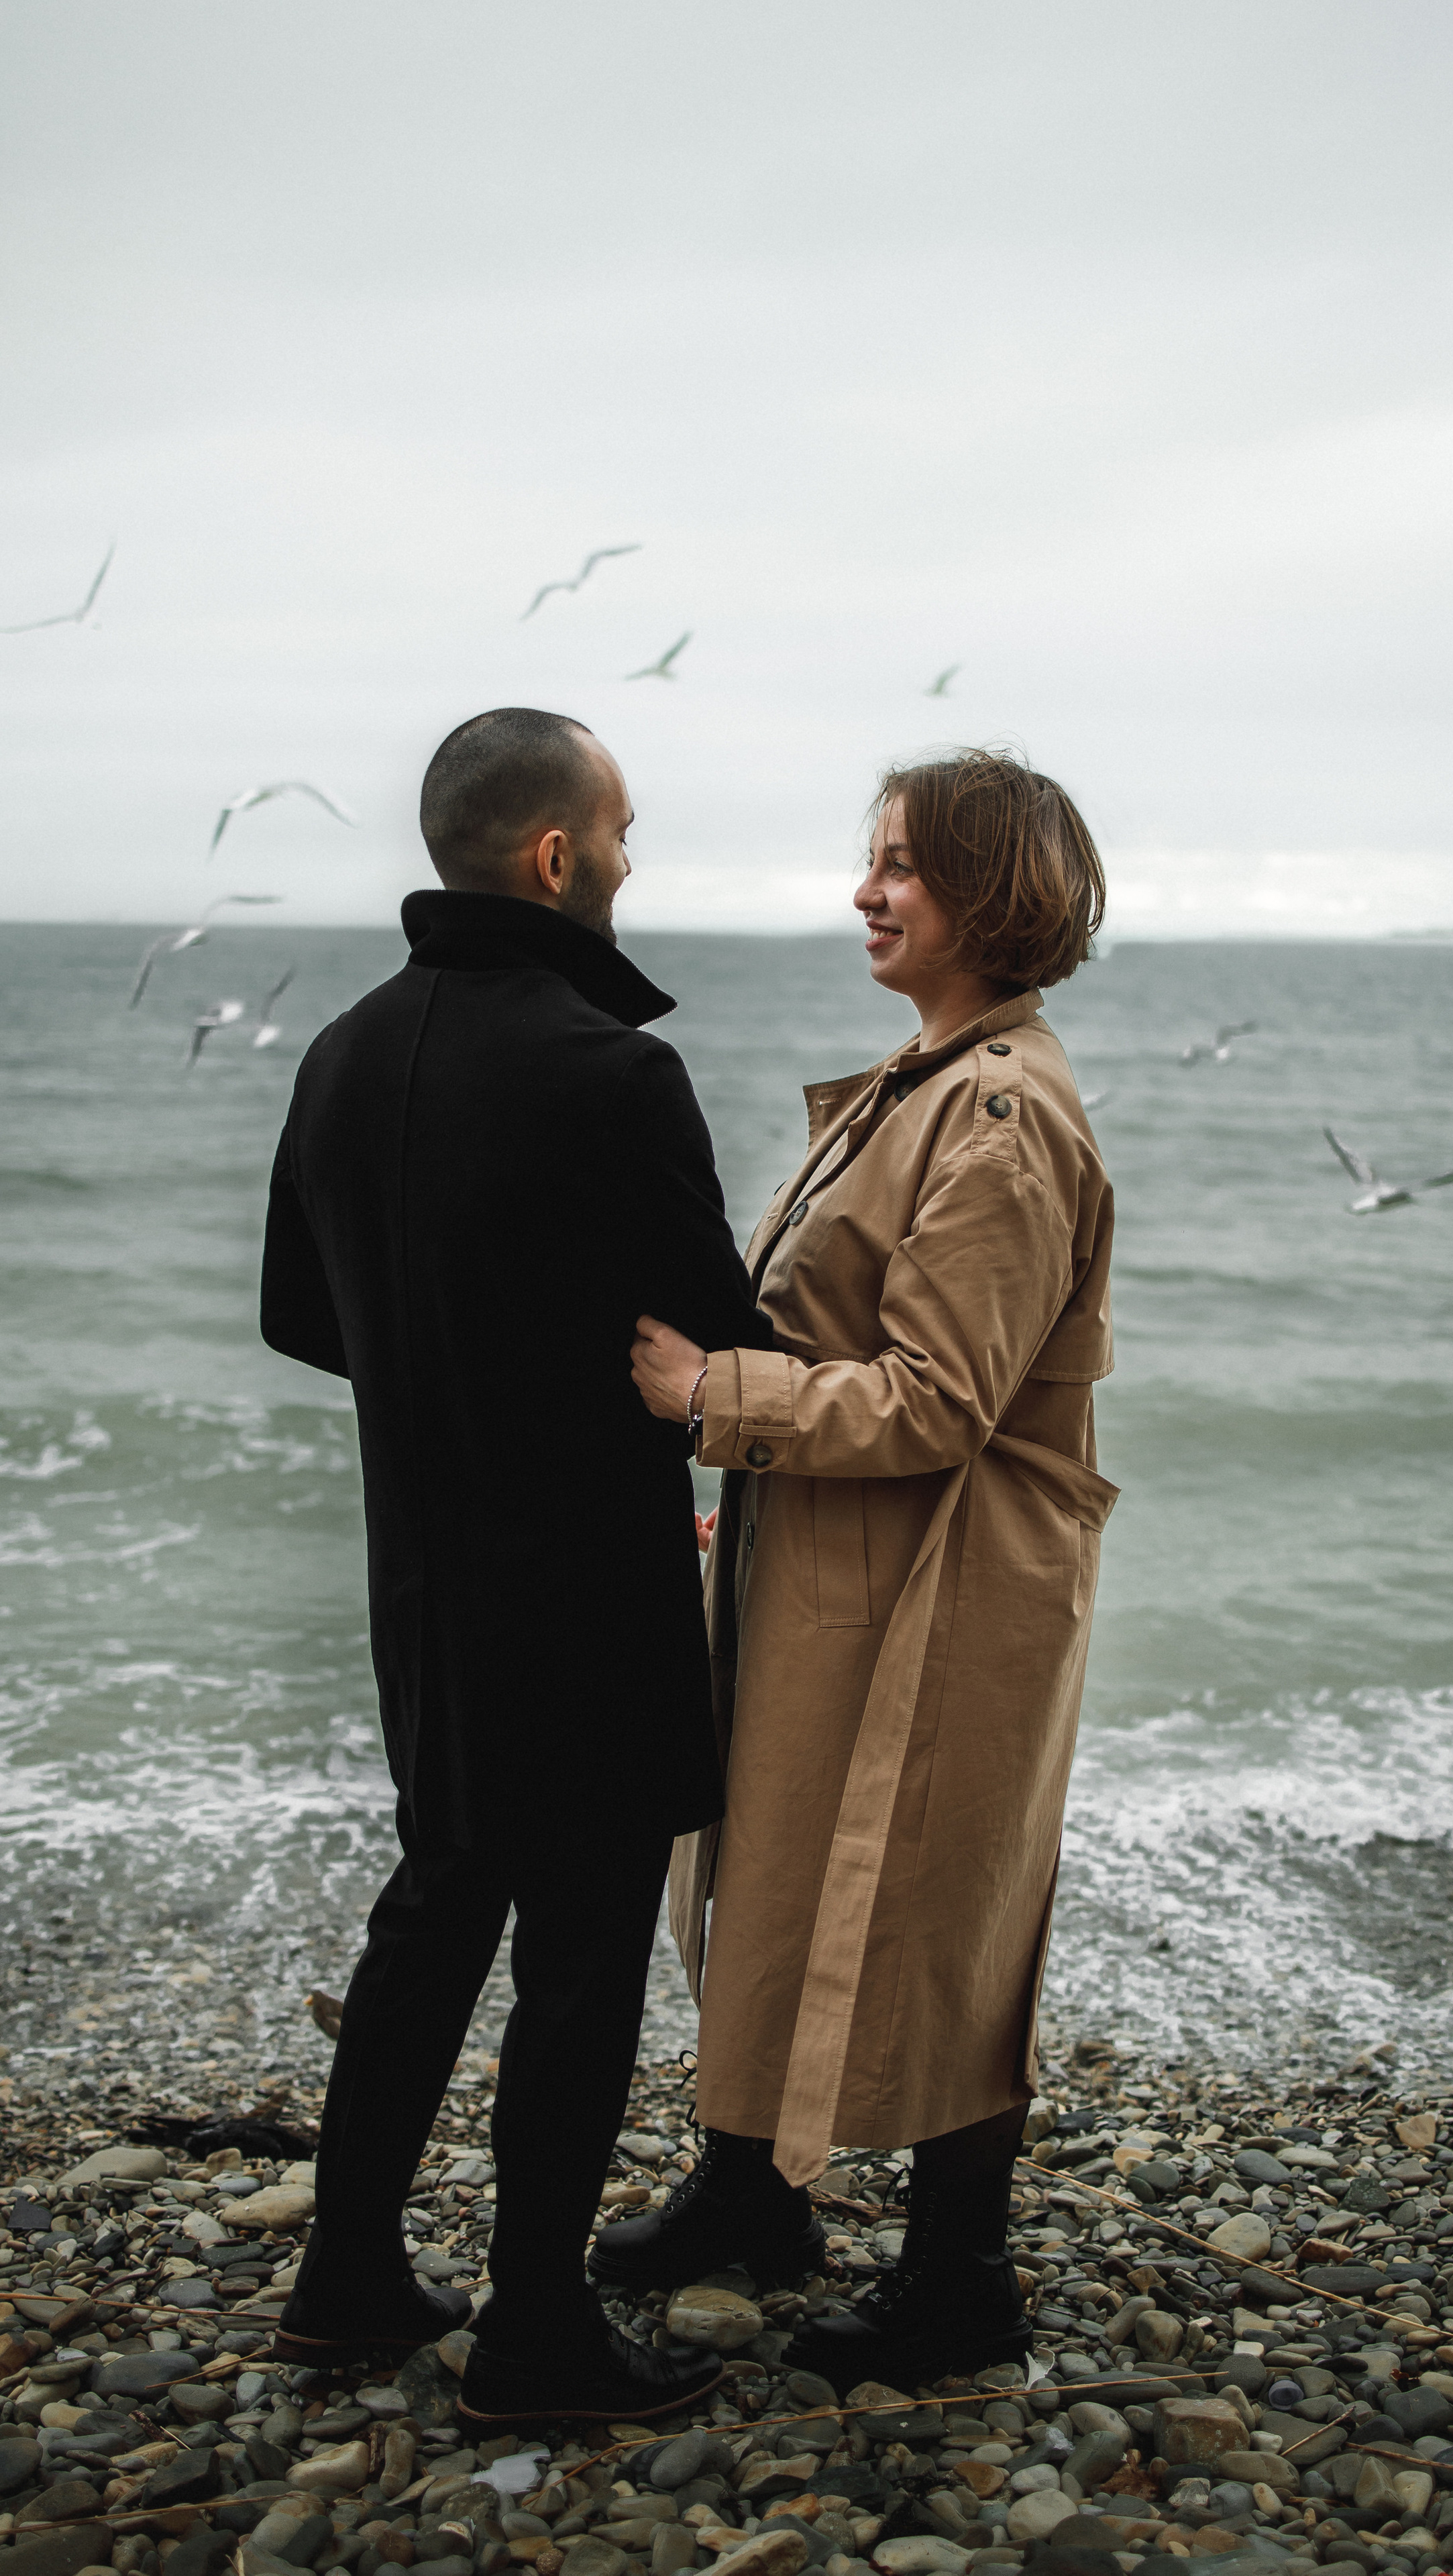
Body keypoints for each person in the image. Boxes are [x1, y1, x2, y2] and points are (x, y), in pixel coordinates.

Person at [259, 706, 769, 2426]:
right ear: (555, 856)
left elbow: (293, 1317)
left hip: (423, 1583)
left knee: (436, 1896)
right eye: (619, 831)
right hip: (588, 1584)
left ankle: (343, 2275)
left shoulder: (338, 1050)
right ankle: (537, 2331)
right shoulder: (608, 1071)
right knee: (577, 1951)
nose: (631, 857)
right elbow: (721, 1339)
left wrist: (440, 1378)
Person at [620, 746, 1117, 2391]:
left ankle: (961, 2282)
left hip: (941, 1586)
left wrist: (713, 1396)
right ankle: (750, 2192)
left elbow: (941, 1398)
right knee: (770, 1863)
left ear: (993, 893)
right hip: (842, 1553)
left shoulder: (994, 1109)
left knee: (934, 1901)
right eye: (871, 857)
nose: (864, 887)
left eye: (900, 862)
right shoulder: (927, 1079)